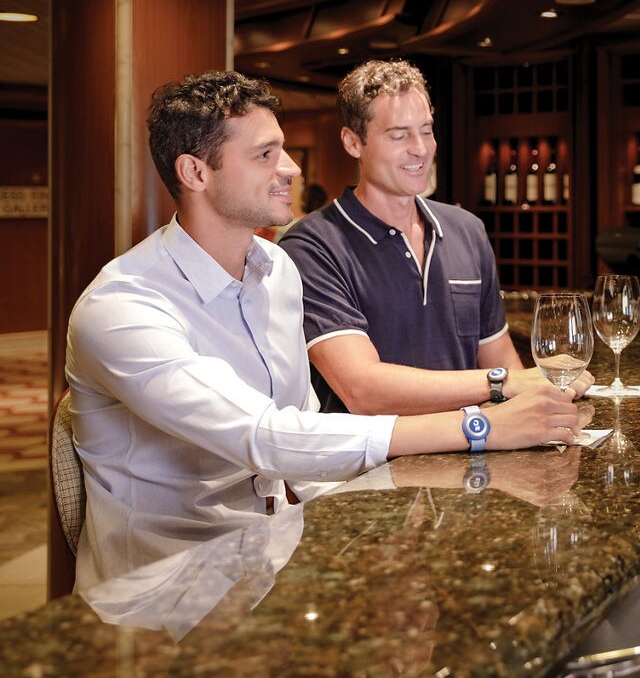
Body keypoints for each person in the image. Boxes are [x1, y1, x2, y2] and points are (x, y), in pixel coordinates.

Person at [66, 70, 585, 587]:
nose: (290, 168)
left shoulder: (275, 271)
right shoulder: (122, 305)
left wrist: (386, 525)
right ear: (195, 172)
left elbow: (304, 439)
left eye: (283, 150)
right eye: (265, 155)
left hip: (279, 559)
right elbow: (267, 437)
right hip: (168, 590)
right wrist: (481, 426)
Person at [280, 59, 588, 415]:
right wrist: (501, 382)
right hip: (372, 469)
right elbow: (362, 390)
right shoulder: (312, 246)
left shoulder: (467, 230)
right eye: (399, 135)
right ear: (353, 142)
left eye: (426, 130)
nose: (421, 148)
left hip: (472, 453)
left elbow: (502, 360)